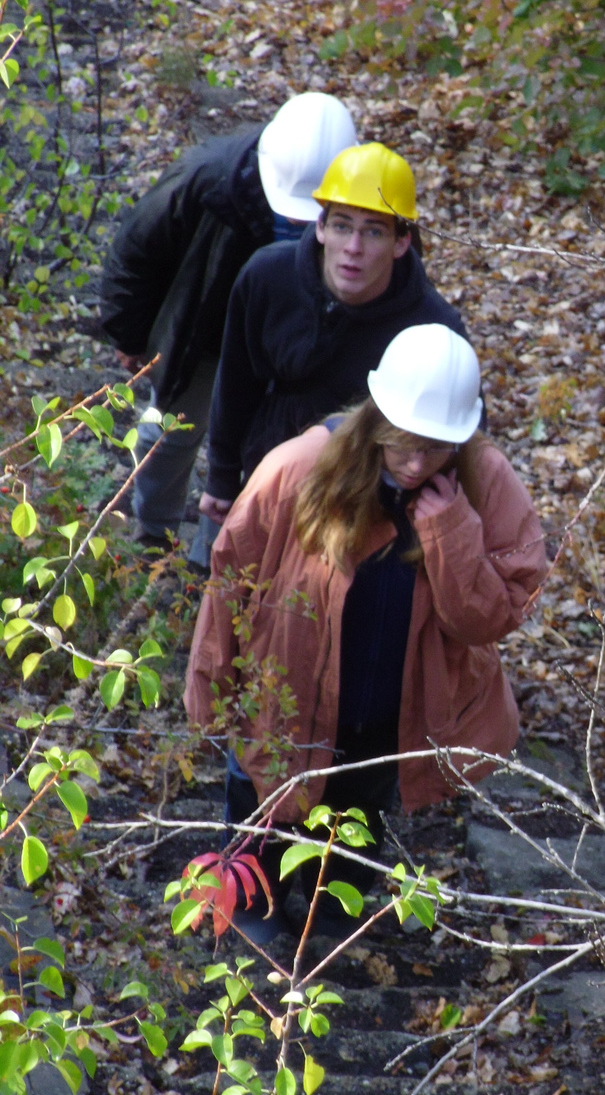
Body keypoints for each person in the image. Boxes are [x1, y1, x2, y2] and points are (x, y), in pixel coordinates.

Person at [184, 323, 545, 934]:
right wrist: (211, 692)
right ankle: (248, 958)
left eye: (434, 448)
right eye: (401, 442)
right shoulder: (298, 469)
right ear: (376, 418)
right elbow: (228, 582)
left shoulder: (484, 482)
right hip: (283, 714)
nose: (413, 462)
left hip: (382, 731)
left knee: (342, 878)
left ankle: (323, 956)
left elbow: (494, 618)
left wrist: (451, 530)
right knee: (255, 868)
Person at [99, 92, 358, 564]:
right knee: (172, 429)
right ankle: (152, 531)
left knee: (254, 452)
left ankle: (213, 557)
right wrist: (130, 335)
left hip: (287, 346)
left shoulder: (364, 203)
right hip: (204, 335)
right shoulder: (206, 178)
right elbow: (135, 252)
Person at [199, 142, 467, 536]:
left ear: (401, 242)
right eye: (342, 225)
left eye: (374, 231)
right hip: (262, 471)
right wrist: (221, 477)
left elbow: (456, 439)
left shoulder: (434, 330)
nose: (353, 249)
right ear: (320, 227)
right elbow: (236, 382)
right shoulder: (267, 277)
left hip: (364, 509)